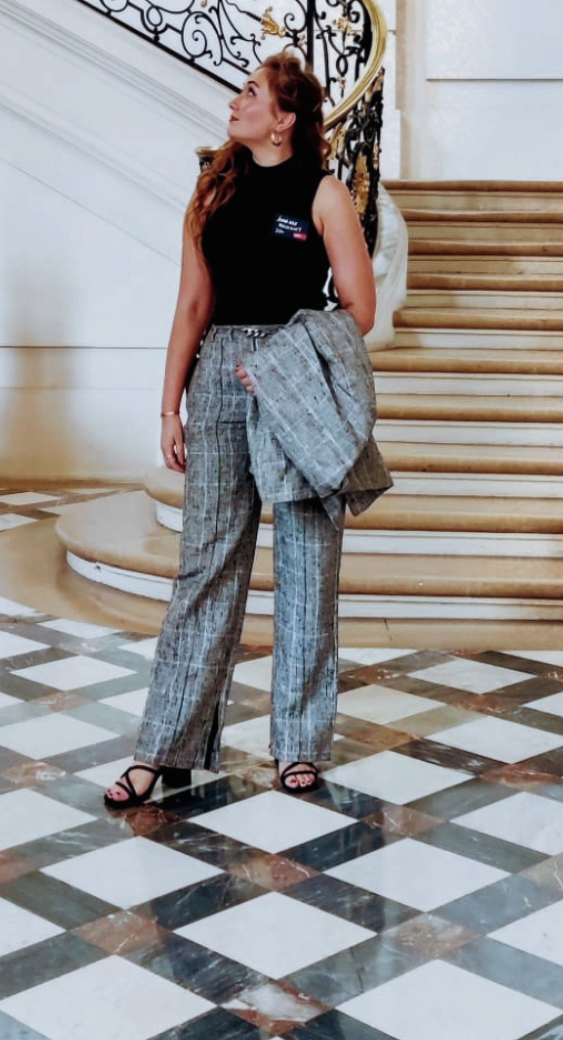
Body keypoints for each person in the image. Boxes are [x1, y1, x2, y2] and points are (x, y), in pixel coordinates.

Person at [105, 48, 379, 807]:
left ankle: (300, 746)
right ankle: (165, 746)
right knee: (205, 566)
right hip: (219, 378)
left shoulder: (324, 195)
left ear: (284, 119)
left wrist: (287, 358)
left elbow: (359, 308)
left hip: (295, 385)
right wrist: (170, 406)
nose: (235, 101)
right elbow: (192, 305)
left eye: (250, 93)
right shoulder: (211, 190)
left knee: (306, 567)